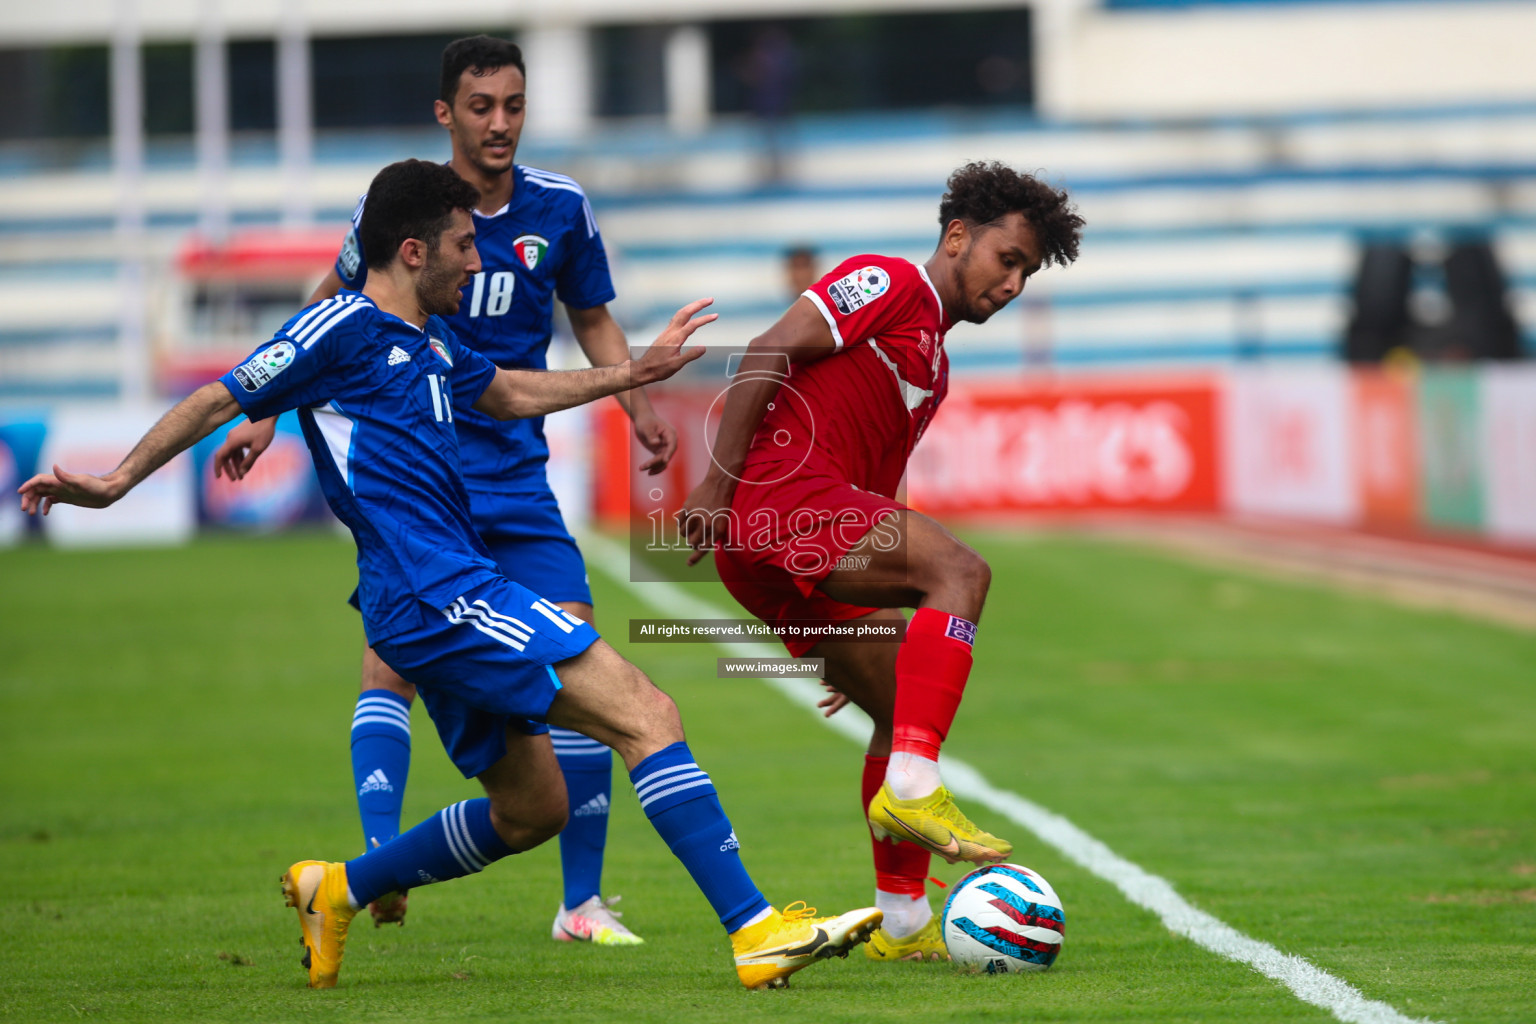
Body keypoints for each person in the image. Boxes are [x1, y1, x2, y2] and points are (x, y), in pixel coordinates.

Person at [20, 158, 881, 991]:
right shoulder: (341, 327)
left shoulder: (427, 341)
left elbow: (506, 392)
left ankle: (340, 889)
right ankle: (756, 930)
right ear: (414, 251)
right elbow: (223, 394)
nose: (480, 260)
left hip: (437, 597)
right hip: (442, 596)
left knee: (532, 809)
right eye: (466, 247)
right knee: (646, 713)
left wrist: (633, 374)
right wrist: (114, 482)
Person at [215, 36, 667, 944]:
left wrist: (638, 403)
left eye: (513, 104)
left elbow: (592, 318)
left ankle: (579, 904)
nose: (499, 123)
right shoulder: (407, 210)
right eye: (480, 106)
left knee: (581, 663)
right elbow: (332, 299)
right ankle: (380, 862)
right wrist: (262, 409)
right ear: (446, 113)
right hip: (424, 481)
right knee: (393, 663)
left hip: (518, 476)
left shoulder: (560, 208)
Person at [677, 161, 1083, 962]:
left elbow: (876, 498)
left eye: (1027, 273)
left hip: (797, 527)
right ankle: (914, 787)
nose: (1013, 283)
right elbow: (766, 349)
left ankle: (901, 924)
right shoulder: (889, 282)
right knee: (963, 575)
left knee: (900, 696)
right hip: (779, 501)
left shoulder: (932, 366)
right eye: (1008, 259)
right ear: (959, 236)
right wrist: (718, 485)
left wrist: (851, 623)